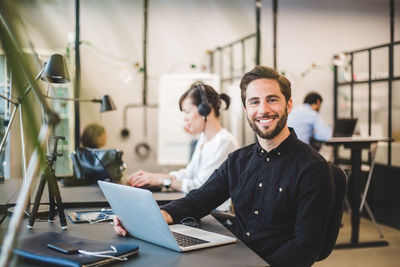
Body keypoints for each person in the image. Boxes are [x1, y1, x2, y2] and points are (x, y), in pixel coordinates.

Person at [115, 66, 334, 267]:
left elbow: (304, 248)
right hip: (235, 255)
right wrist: (149, 218)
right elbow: (198, 201)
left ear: (288, 105)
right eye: (254, 102)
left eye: (272, 100)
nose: (263, 110)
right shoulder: (238, 161)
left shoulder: (313, 168)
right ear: (246, 109)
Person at [127, 82, 239, 211]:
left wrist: (161, 181)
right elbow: (189, 174)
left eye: (187, 112)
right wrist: (153, 177)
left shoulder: (224, 142)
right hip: (201, 207)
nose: (185, 119)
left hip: (215, 214)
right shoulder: (203, 139)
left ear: (205, 108)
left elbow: (202, 187)